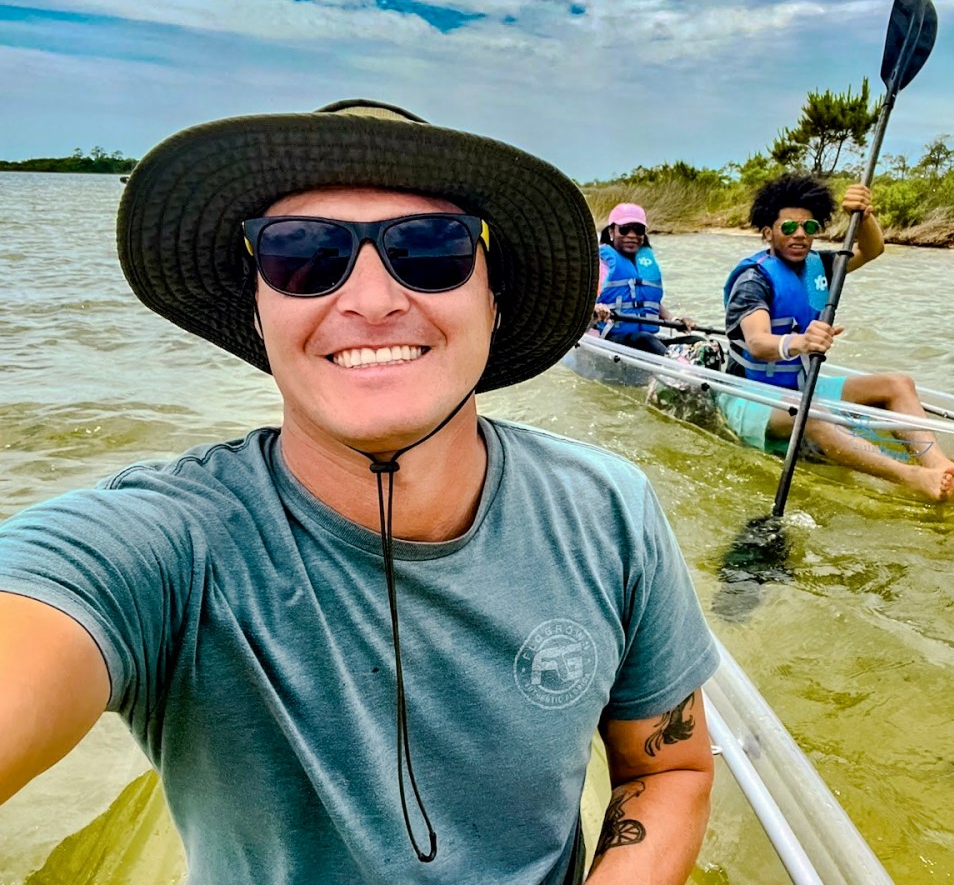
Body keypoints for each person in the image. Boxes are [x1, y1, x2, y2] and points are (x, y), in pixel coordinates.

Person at [0, 100, 719, 885]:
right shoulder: (168, 545)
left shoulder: (608, 510)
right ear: (259, 307)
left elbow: (669, 769)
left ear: (494, 298)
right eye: (303, 256)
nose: (372, 302)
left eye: (432, 250)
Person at [721, 172, 954, 501]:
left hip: (798, 385)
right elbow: (758, 343)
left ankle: (940, 466)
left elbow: (872, 249)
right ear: (768, 231)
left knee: (897, 383)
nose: (800, 235)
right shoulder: (753, 279)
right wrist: (799, 342)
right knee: (809, 414)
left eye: (809, 228)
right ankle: (912, 477)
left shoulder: (820, 265)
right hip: (748, 394)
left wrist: (864, 215)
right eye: (788, 227)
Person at [591, 203, 694, 355]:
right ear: (612, 232)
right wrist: (596, 307)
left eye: (638, 230)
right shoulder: (601, 263)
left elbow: (650, 302)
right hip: (609, 337)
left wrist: (675, 319)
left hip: (644, 339)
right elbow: (582, 302)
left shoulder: (644, 263)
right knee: (644, 339)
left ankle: (689, 365)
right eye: (625, 229)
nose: (632, 235)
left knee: (696, 342)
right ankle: (679, 366)